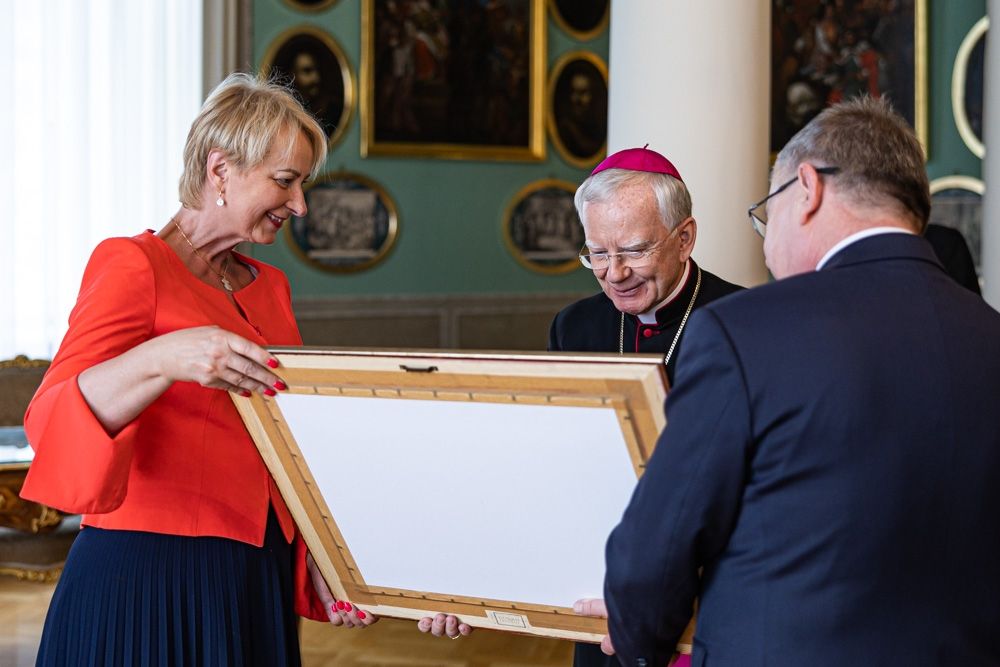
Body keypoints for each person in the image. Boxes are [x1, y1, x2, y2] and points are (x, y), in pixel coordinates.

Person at [20, 73, 467, 666]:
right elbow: (49, 422)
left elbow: (284, 443)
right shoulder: (132, 265)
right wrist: (163, 358)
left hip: (255, 573)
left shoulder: (270, 287)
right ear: (220, 169)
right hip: (151, 575)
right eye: (285, 181)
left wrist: (327, 559)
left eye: (303, 183)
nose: (300, 204)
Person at [601, 96, 1000, 665]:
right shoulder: (990, 335)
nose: (766, 242)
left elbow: (657, 550)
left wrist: (639, 640)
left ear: (807, 189)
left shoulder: (745, 333)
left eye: (767, 213)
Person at [548, 146, 742, 667]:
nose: (614, 273)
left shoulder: (744, 323)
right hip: (602, 577)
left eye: (632, 251)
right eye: (596, 254)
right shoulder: (574, 326)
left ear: (685, 238)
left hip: (704, 586)